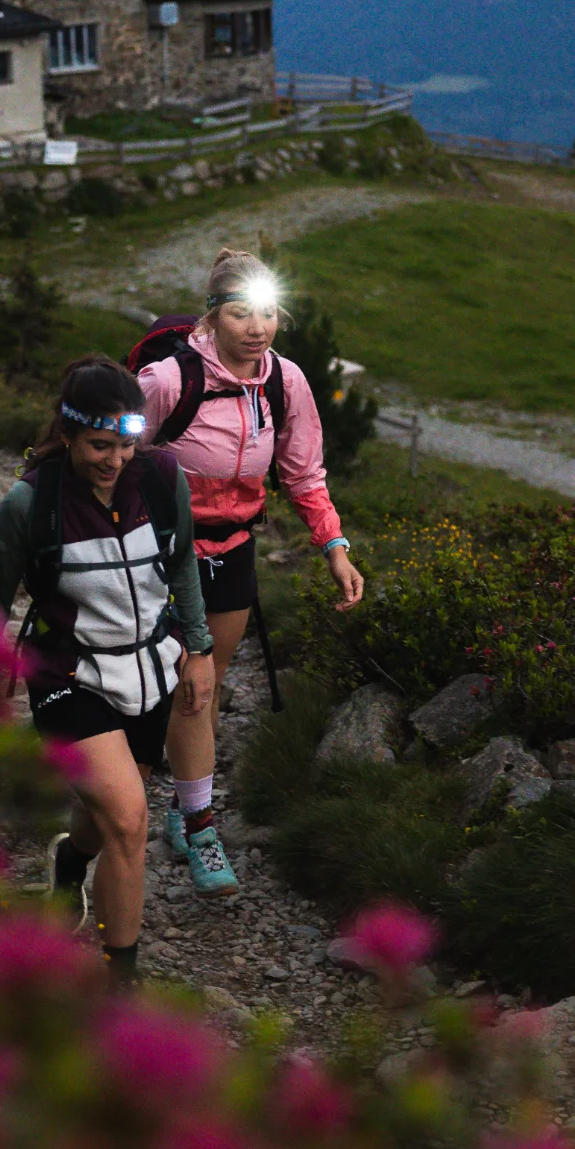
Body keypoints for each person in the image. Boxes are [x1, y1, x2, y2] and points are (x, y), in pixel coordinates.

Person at [0, 356, 224, 986]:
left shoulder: (163, 478)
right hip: (67, 675)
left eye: (127, 444)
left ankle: (68, 865)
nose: (115, 461)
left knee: (111, 818)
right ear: (69, 433)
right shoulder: (29, 503)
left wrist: (199, 649)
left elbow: (183, 565)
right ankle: (121, 982)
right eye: (99, 446)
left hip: (149, 669)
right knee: (132, 820)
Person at [137, 249, 363, 882]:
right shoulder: (166, 381)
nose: (257, 327)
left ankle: (184, 811)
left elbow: (303, 472)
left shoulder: (285, 383)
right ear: (212, 318)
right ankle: (199, 826)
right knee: (191, 684)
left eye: (268, 313)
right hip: (165, 555)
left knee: (206, 688)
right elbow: (114, 455)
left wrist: (334, 548)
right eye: (241, 313)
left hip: (235, 549)